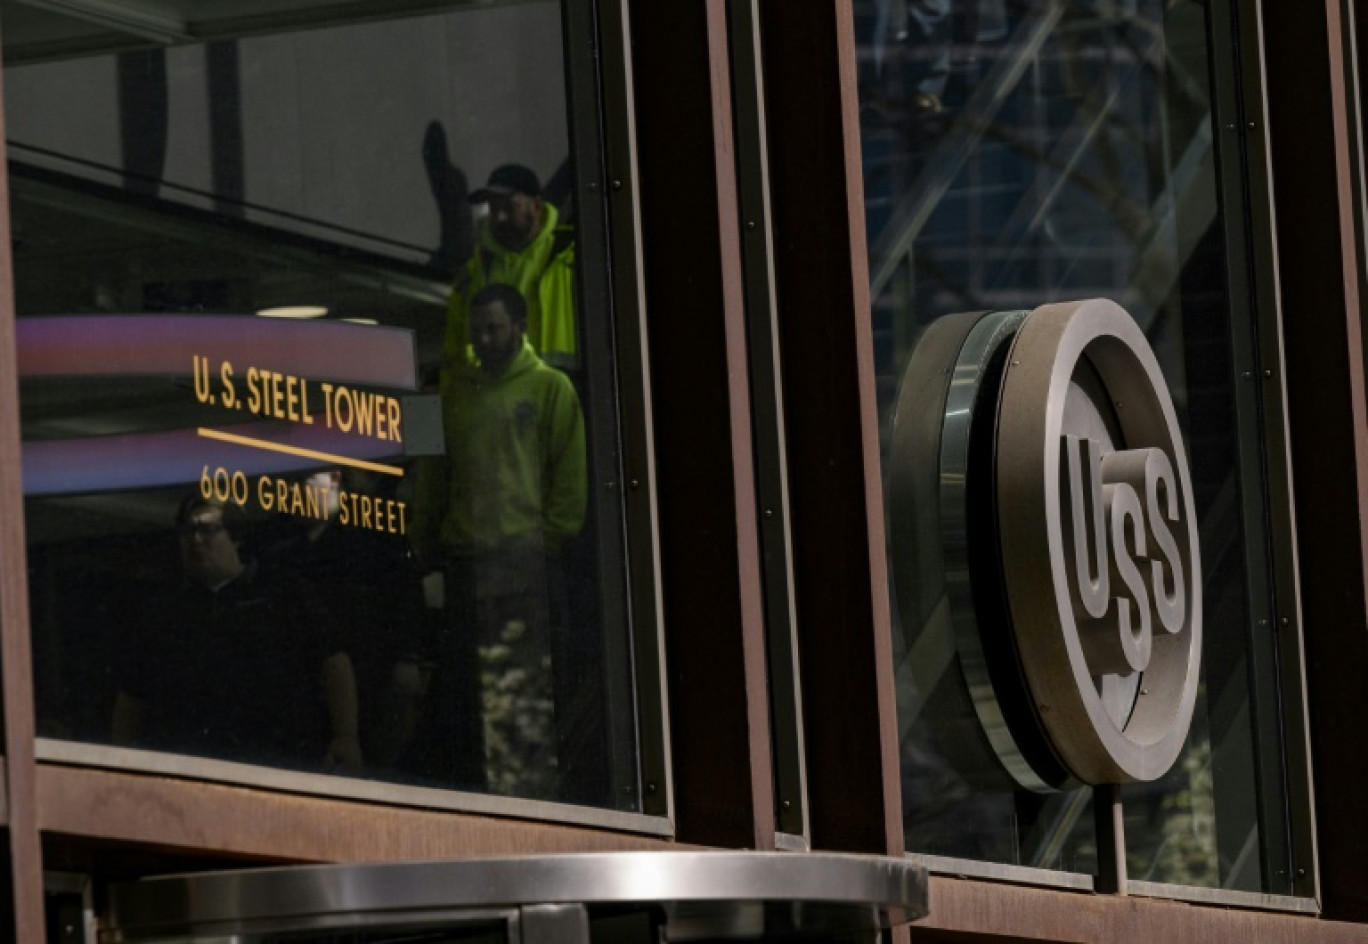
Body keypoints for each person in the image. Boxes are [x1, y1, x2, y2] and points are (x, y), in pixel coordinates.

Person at [413, 282, 587, 798]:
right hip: (467, 563)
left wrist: (544, 543)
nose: (484, 339)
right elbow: (432, 477)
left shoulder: (550, 388)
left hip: (522, 564)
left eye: (494, 328)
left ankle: (525, 804)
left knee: (521, 704)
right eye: (477, 330)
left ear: (520, 326)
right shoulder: (453, 395)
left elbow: (570, 480)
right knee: (465, 701)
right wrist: (422, 545)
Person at [111, 496, 362, 772]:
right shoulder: (164, 610)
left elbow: (334, 662)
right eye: (187, 531)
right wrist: (123, 761)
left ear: (236, 536)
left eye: (207, 530)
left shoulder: (284, 593)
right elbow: (132, 692)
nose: (195, 540)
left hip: (278, 762)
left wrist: (345, 738)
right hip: (188, 766)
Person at [444, 163, 577, 375]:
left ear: (536, 206)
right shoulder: (474, 273)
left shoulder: (572, 257)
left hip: (570, 397)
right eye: (494, 208)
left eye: (509, 207)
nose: (499, 217)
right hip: (498, 400)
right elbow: (455, 353)